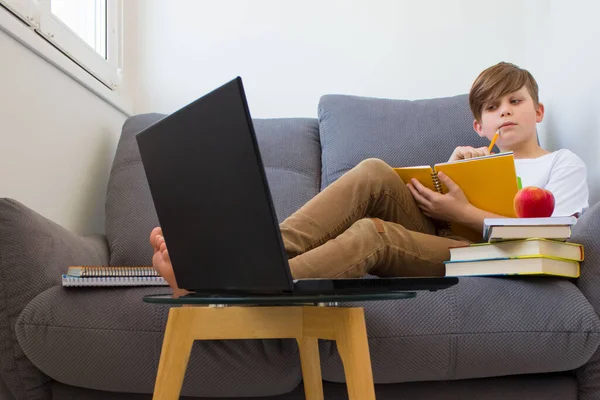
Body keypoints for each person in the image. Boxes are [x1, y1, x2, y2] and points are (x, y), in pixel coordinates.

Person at [150, 62, 589, 290]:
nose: (505, 111)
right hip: (444, 231)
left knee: (372, 235)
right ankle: (250, 256)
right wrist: (449, 176)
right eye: (492, 108)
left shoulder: (561, 163)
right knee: (373, 171)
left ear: (539, 111)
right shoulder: (471, 156)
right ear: (479, 126)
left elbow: (561, 236)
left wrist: (466, 211)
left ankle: (234, 286)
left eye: (514, 100)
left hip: (490, 254)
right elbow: (439, 219)